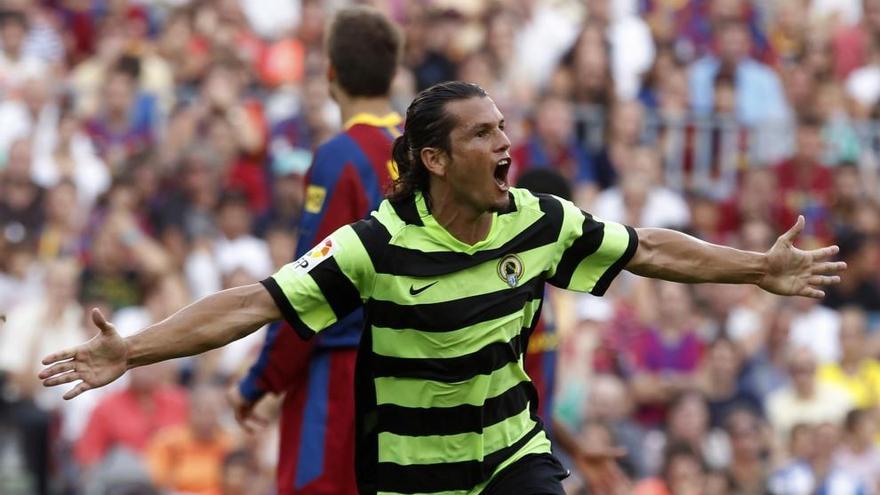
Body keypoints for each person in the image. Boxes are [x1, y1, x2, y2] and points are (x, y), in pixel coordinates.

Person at [40, 81, 846, 495]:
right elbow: (254, 301)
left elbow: (644, 251)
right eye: (485, 133)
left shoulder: (536, 220)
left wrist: (756, 267)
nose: (507, 142)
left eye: (503, 127)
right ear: (434, 158)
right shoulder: (373, 247)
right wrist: (134, 350)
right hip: (411, 477)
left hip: (511, 459)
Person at [226, 6, 403, 495]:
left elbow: (308, 288)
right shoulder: (421, 150)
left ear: (330, 73)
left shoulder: (339, 157)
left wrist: (260, 382)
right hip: (412, 372)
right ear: (393, 72)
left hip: (343, 373)